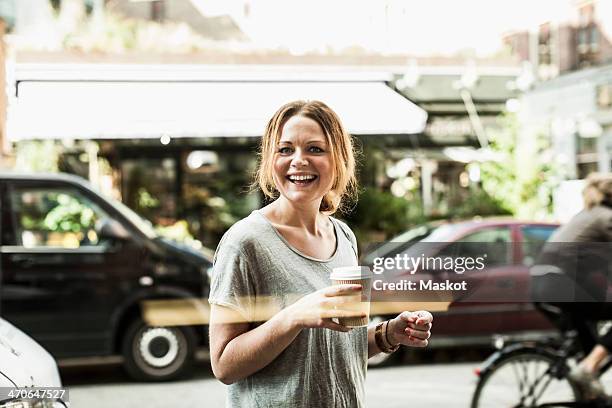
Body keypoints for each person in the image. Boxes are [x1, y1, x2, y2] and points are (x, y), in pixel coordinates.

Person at [208, 100, 433, 407]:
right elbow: (224, 364)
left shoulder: (343, 237)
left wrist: (388, 333)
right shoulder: (245, 243)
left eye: (314, 149)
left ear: (338, 159)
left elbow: (334, 345)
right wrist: (294, 317)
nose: (298, 160)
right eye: (285, 149)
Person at [532, 173, 612, 398]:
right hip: (561, 284)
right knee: (590, 361)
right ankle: (588, 369)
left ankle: (588, 391)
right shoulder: (606, 218)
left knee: (588, 344)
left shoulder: (586, 214)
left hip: (544, 282)